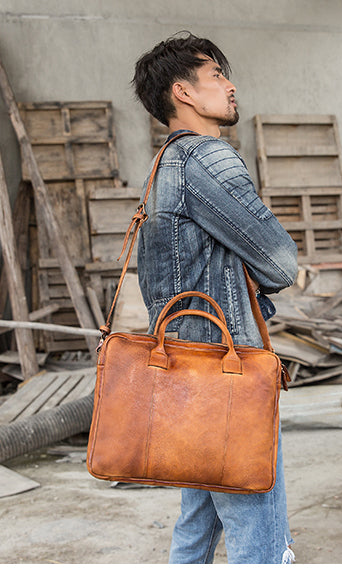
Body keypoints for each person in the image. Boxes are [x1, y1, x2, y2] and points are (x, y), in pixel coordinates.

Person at [131, 32, 299, 564]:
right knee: (259, 537)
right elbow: (280, 263)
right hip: (228, 374)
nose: (231, 86)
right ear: (183, 92)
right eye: (217, 76)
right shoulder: (208, 159)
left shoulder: (165, 165)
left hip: (187, 371)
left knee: (197, 522)